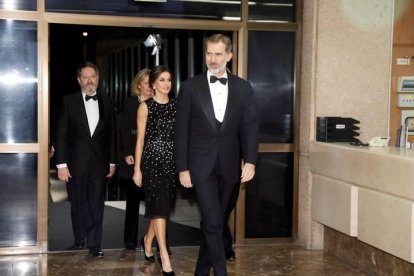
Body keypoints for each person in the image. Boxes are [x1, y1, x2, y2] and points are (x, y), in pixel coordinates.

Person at [174, 34, 259, 276]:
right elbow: (182, 131)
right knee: (212, 221)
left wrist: (251, 160)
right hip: (200, 167)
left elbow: (250, 127)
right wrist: (183, 168)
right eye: (209, 53)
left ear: (229, 56)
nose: (213, 59)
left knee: (216, 223)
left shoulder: (243, 88)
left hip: (231, 167)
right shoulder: (190, 87)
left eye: (218, 54)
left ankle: (200, 271)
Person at [54, 61, 116, 257]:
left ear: (98, 79)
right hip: (75, 164)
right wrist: (62, 164)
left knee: (97, 204)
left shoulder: (107, 100)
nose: (90, 80)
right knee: (78, 203)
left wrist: (112, 161)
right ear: (79, 80)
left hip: (99, 164)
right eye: (86, 77)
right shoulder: (68, 101)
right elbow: (61, 135)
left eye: (93, 77)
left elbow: (113, 135)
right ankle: (79, 236)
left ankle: (95, 244)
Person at [133, 65, 177, 276]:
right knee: (159, 209)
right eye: (162, 80)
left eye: (169, 80)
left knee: (163, 208)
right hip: (152, 164)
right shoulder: (145, 107)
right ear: (153, 84)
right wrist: (137, 169)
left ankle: (148, 239)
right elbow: (140, 140)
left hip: (172, 165)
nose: (166, 84)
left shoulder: (177, 106)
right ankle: (164, 256)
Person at [118, 68, 153, 250]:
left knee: (157, 206)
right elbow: (124, 130)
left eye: (151, 83)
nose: (149, 87)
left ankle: (159, 240)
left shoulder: (159, 103)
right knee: (132, 204)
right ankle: (130, 240)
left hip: (154, 161)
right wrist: (126, 152)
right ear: (138, 85)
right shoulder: (130, 103)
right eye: (146, 83)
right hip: (133, 161)